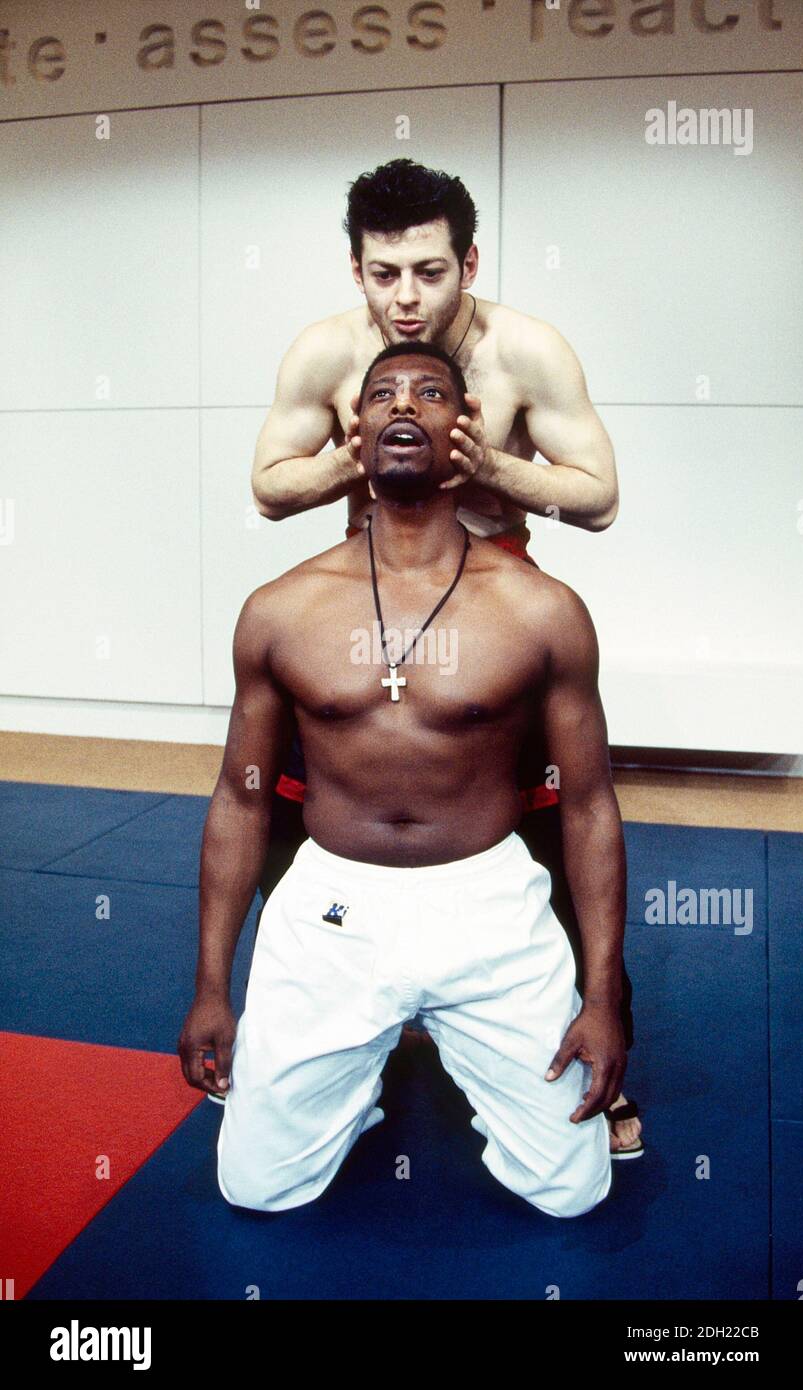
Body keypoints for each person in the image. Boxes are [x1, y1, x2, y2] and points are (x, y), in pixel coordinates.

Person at [248, 159, 642, 1156]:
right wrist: (369, 445)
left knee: (554, 847)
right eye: (383, 275)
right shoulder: (327, 353)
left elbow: (596, 496)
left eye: (428, 270)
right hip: (368, 611)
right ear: (356, 270)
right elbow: (267, 485)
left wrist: (485, 464)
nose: (406, 298)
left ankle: (600, 1056)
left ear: (468, 260)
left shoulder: (524, 350)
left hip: (490, 618)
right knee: (291, 832)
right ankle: (335, 1035)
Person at [178, 343, 627, 1219]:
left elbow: (587, 805)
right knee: (256, 1187)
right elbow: (240, 797)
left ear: (464, 430)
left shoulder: (541, 609)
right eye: (381, 393)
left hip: (488, 903)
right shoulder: (280, 609)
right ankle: (347, 1089)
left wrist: (602, 997)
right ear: (355, 434)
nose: (403, 405)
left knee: (574, 1191)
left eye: (430, 392)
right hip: (332, 907)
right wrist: (209, 988)